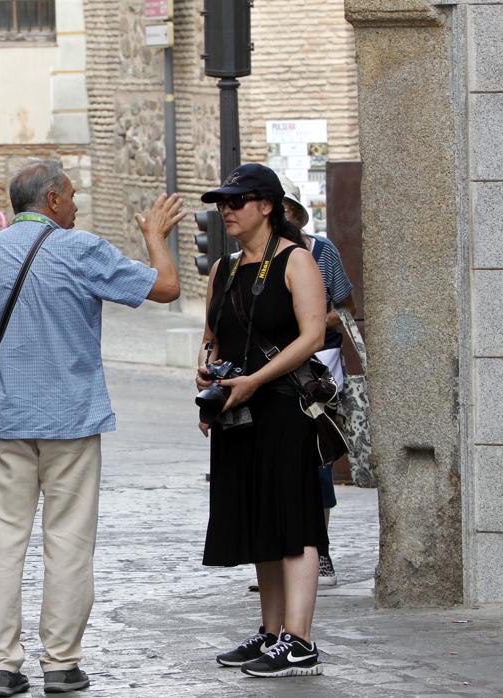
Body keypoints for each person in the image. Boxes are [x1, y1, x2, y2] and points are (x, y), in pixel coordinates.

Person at [0, 161, 183, 696]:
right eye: (72, 196)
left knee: (4, 542)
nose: (76, 206)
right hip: (70, 418)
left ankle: (2, 664)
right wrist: (153, 236)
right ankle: (60, 663)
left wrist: (11, 355)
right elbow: (166, 286)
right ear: (52, 200)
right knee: (69, 542)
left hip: (6, 419)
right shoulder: (82, 249)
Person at [196, 163, 329, 678]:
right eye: (222, 203)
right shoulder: (223, 268)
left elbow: (312, 335)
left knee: (294, 521)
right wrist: (204, 378)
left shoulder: (297, 261)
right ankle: (272, 632)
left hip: (283, 407)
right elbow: (212, 333)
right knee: (259, 520)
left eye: (237, 201)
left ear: (267, 206)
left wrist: (256, 380)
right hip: (236, 409)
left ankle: (301, 641)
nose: (227, 210)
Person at [277, 175, 356, 587]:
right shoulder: (253, 259)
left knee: (318, 455)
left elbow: (345, 305)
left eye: (287, 210)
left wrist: (319, 319)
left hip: (317, 370)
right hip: (271, 370)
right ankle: (282, 554)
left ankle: (319, 549)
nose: (282, 217)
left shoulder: (321, 252)